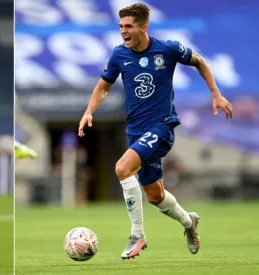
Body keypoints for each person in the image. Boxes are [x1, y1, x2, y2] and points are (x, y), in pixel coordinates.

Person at [78, 3, 233, 260]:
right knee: (155, 196)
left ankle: (137, 235)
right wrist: (89, 111)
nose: (123, 32)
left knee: (122, 168)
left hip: (162, 126)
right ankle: (189, 222)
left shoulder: (168, 49)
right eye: (121, 27)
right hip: (136, 132)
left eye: (129, 27)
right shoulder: (119, 55)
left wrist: (216, 94)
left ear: (143, 27)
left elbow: (200, 62)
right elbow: (103, 86)